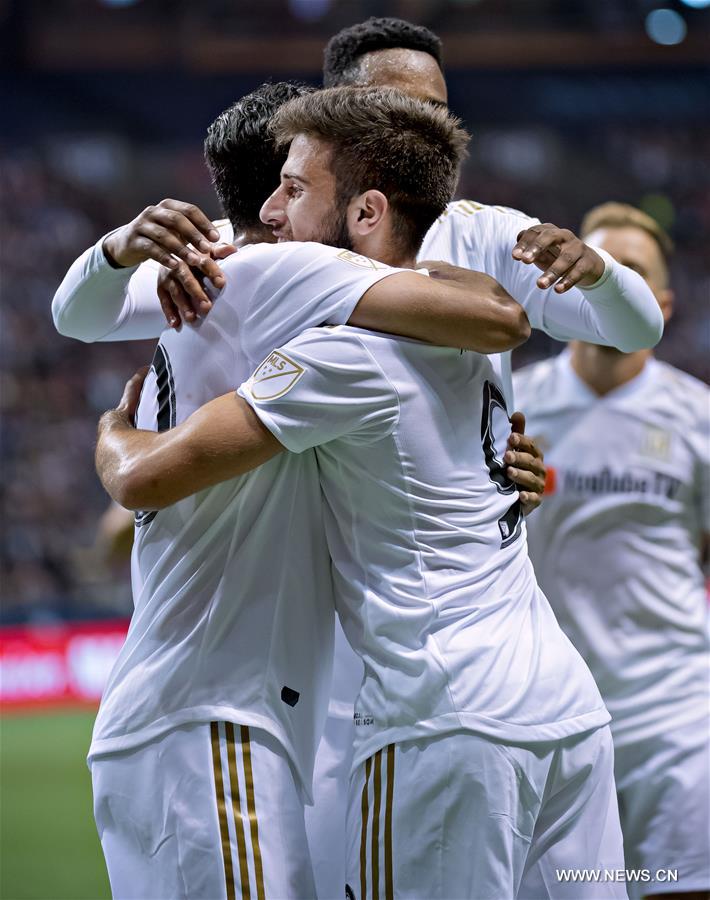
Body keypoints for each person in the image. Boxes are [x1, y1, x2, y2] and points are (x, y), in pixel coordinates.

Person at [96, 87, 632, 900]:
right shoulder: (475, 337)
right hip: (566, 713)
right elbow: (502, 340)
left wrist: (113, 431)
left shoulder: (342, 358)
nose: (269, 213)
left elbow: (147, 476)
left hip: (443, 719)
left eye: (294, 188)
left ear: (366, 211)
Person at [514, 202, 710, 900]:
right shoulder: (511, 404)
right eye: (596, 265)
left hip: (674, 714)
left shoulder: (699, 417)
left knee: (676, 889)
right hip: (545, 713)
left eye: (631, 272)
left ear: (661, 305)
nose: (608, 279)